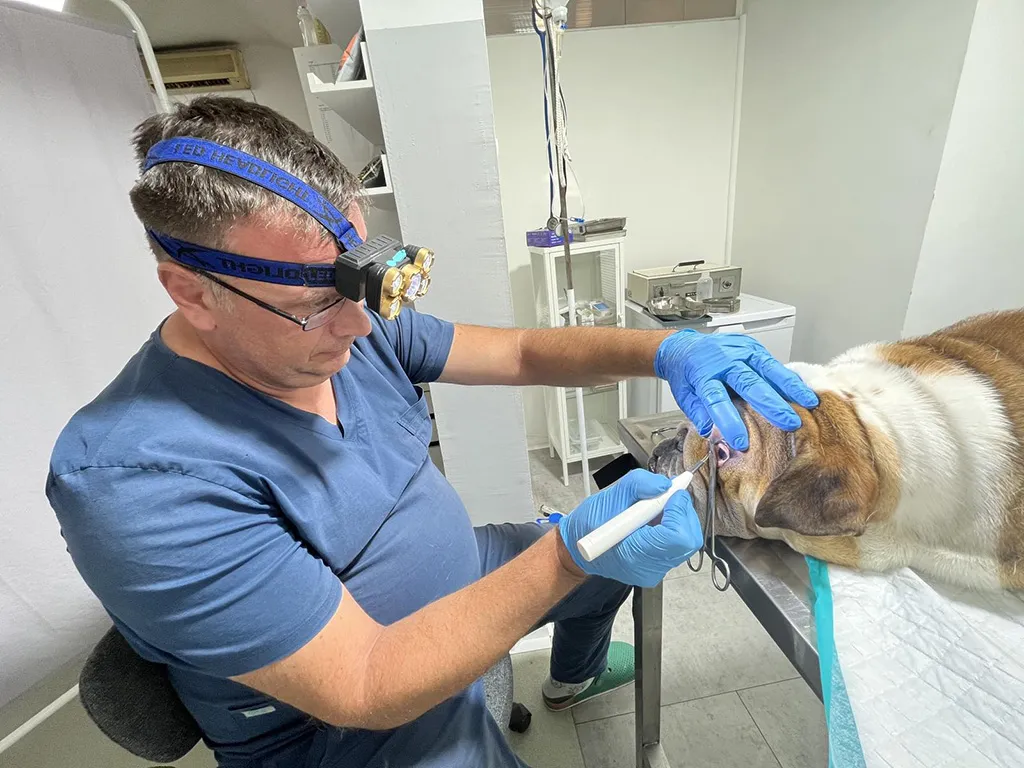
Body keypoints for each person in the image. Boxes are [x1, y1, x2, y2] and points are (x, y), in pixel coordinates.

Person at [46, 97, 818, 768]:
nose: (360, 328)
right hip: (344, 728)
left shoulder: (346, 324)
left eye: (362, 289)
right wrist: (563, 554)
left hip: (462, 573)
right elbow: (365, 682)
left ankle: (574, 675)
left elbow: (520, 352)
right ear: (191, 292)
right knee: (587, 552)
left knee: (612, 562)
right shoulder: (133, 481)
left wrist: (665, 349)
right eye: (317, 306)